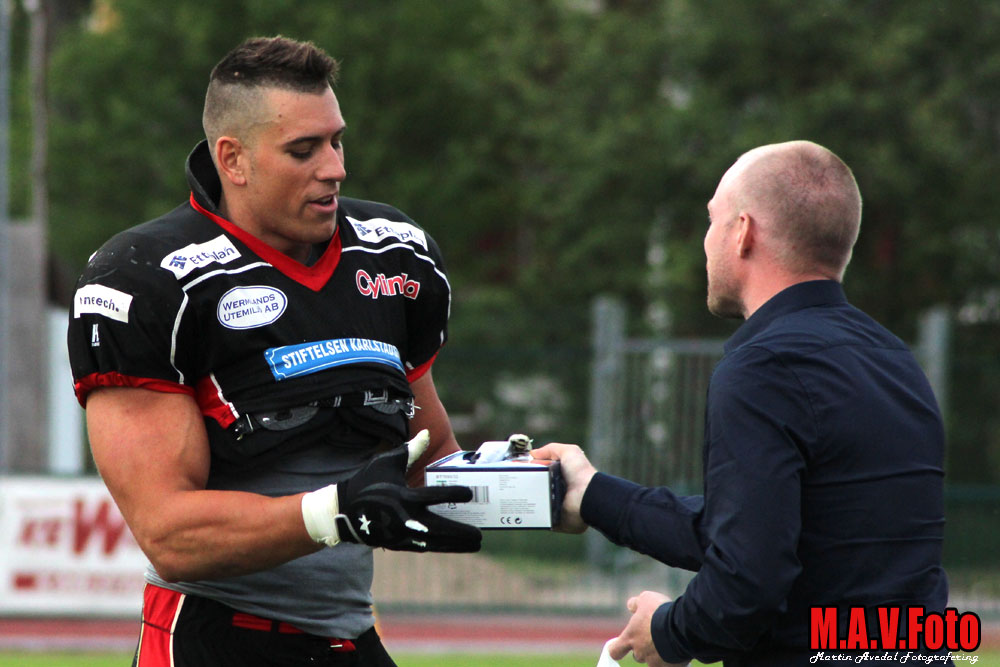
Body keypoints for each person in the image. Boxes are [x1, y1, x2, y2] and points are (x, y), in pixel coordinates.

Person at [67, 36, 481, 666]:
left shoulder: (394, 256)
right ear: (232, 159)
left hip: (347, 636)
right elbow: (169, 534)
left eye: (337, 141)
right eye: (303, 150)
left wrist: (555, 490)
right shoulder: (146, 278)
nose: (335, 168)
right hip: (214, 637)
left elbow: (432, 458)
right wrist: (335, 512)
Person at [533, 141, 951, 666]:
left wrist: (668, 630)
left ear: (743, 232)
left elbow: (747, 583)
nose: (706, 241)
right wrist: (591, 493)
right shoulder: (894, 359)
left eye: (712, 219)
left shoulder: (763, 366)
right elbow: (766, 529)